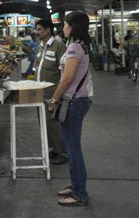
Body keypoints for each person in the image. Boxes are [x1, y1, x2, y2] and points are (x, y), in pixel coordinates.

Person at [48, 12, 91, 207]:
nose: (63, 28)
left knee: (73, 150)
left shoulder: (74, 47)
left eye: (65, 25)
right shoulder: (79, 46)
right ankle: (75, 186)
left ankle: (80, 193)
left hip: (72, 103)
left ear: (72, 26)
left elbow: (67, 78)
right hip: (76, 102)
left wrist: (54, 99)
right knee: (71, 147)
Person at [33, 19, 67, 164]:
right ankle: (54, 148)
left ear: (48, 30)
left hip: (52, 92)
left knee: (53, 122)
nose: (37, 32)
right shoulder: (40, 47)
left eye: (39, 29)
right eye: (37, 29)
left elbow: (65, 71)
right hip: (40, 91)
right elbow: (37, 68)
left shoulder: (59, 46)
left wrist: (58, 94)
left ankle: (63, 153)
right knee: (44, 122)